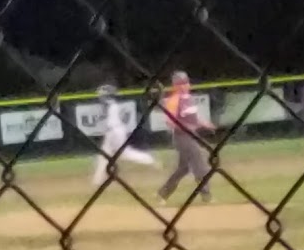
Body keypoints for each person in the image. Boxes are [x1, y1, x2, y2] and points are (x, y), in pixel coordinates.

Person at [156, 70, 216, 204]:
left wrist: (205, 124)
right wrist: (184, 126)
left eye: (186, 83)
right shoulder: (173, 101)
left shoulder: (189, 99)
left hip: (192, 135)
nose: (184, 86)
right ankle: (206, 195)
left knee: (183, 168)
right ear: (175, 86)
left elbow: (195, 118)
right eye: (180, 84)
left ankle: (163, 193)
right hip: (182, 136)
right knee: (199, 163)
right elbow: (169, 122)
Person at [92, 84, 159, 185]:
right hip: (113, 132)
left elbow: (106, 100)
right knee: (105, 155)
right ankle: (98, 180)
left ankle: (149, 159)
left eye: (102, 94)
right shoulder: (111, 103)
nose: (100, 97)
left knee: (124, 154)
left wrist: (106, 93)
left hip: (115, 132)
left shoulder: (111, 103)